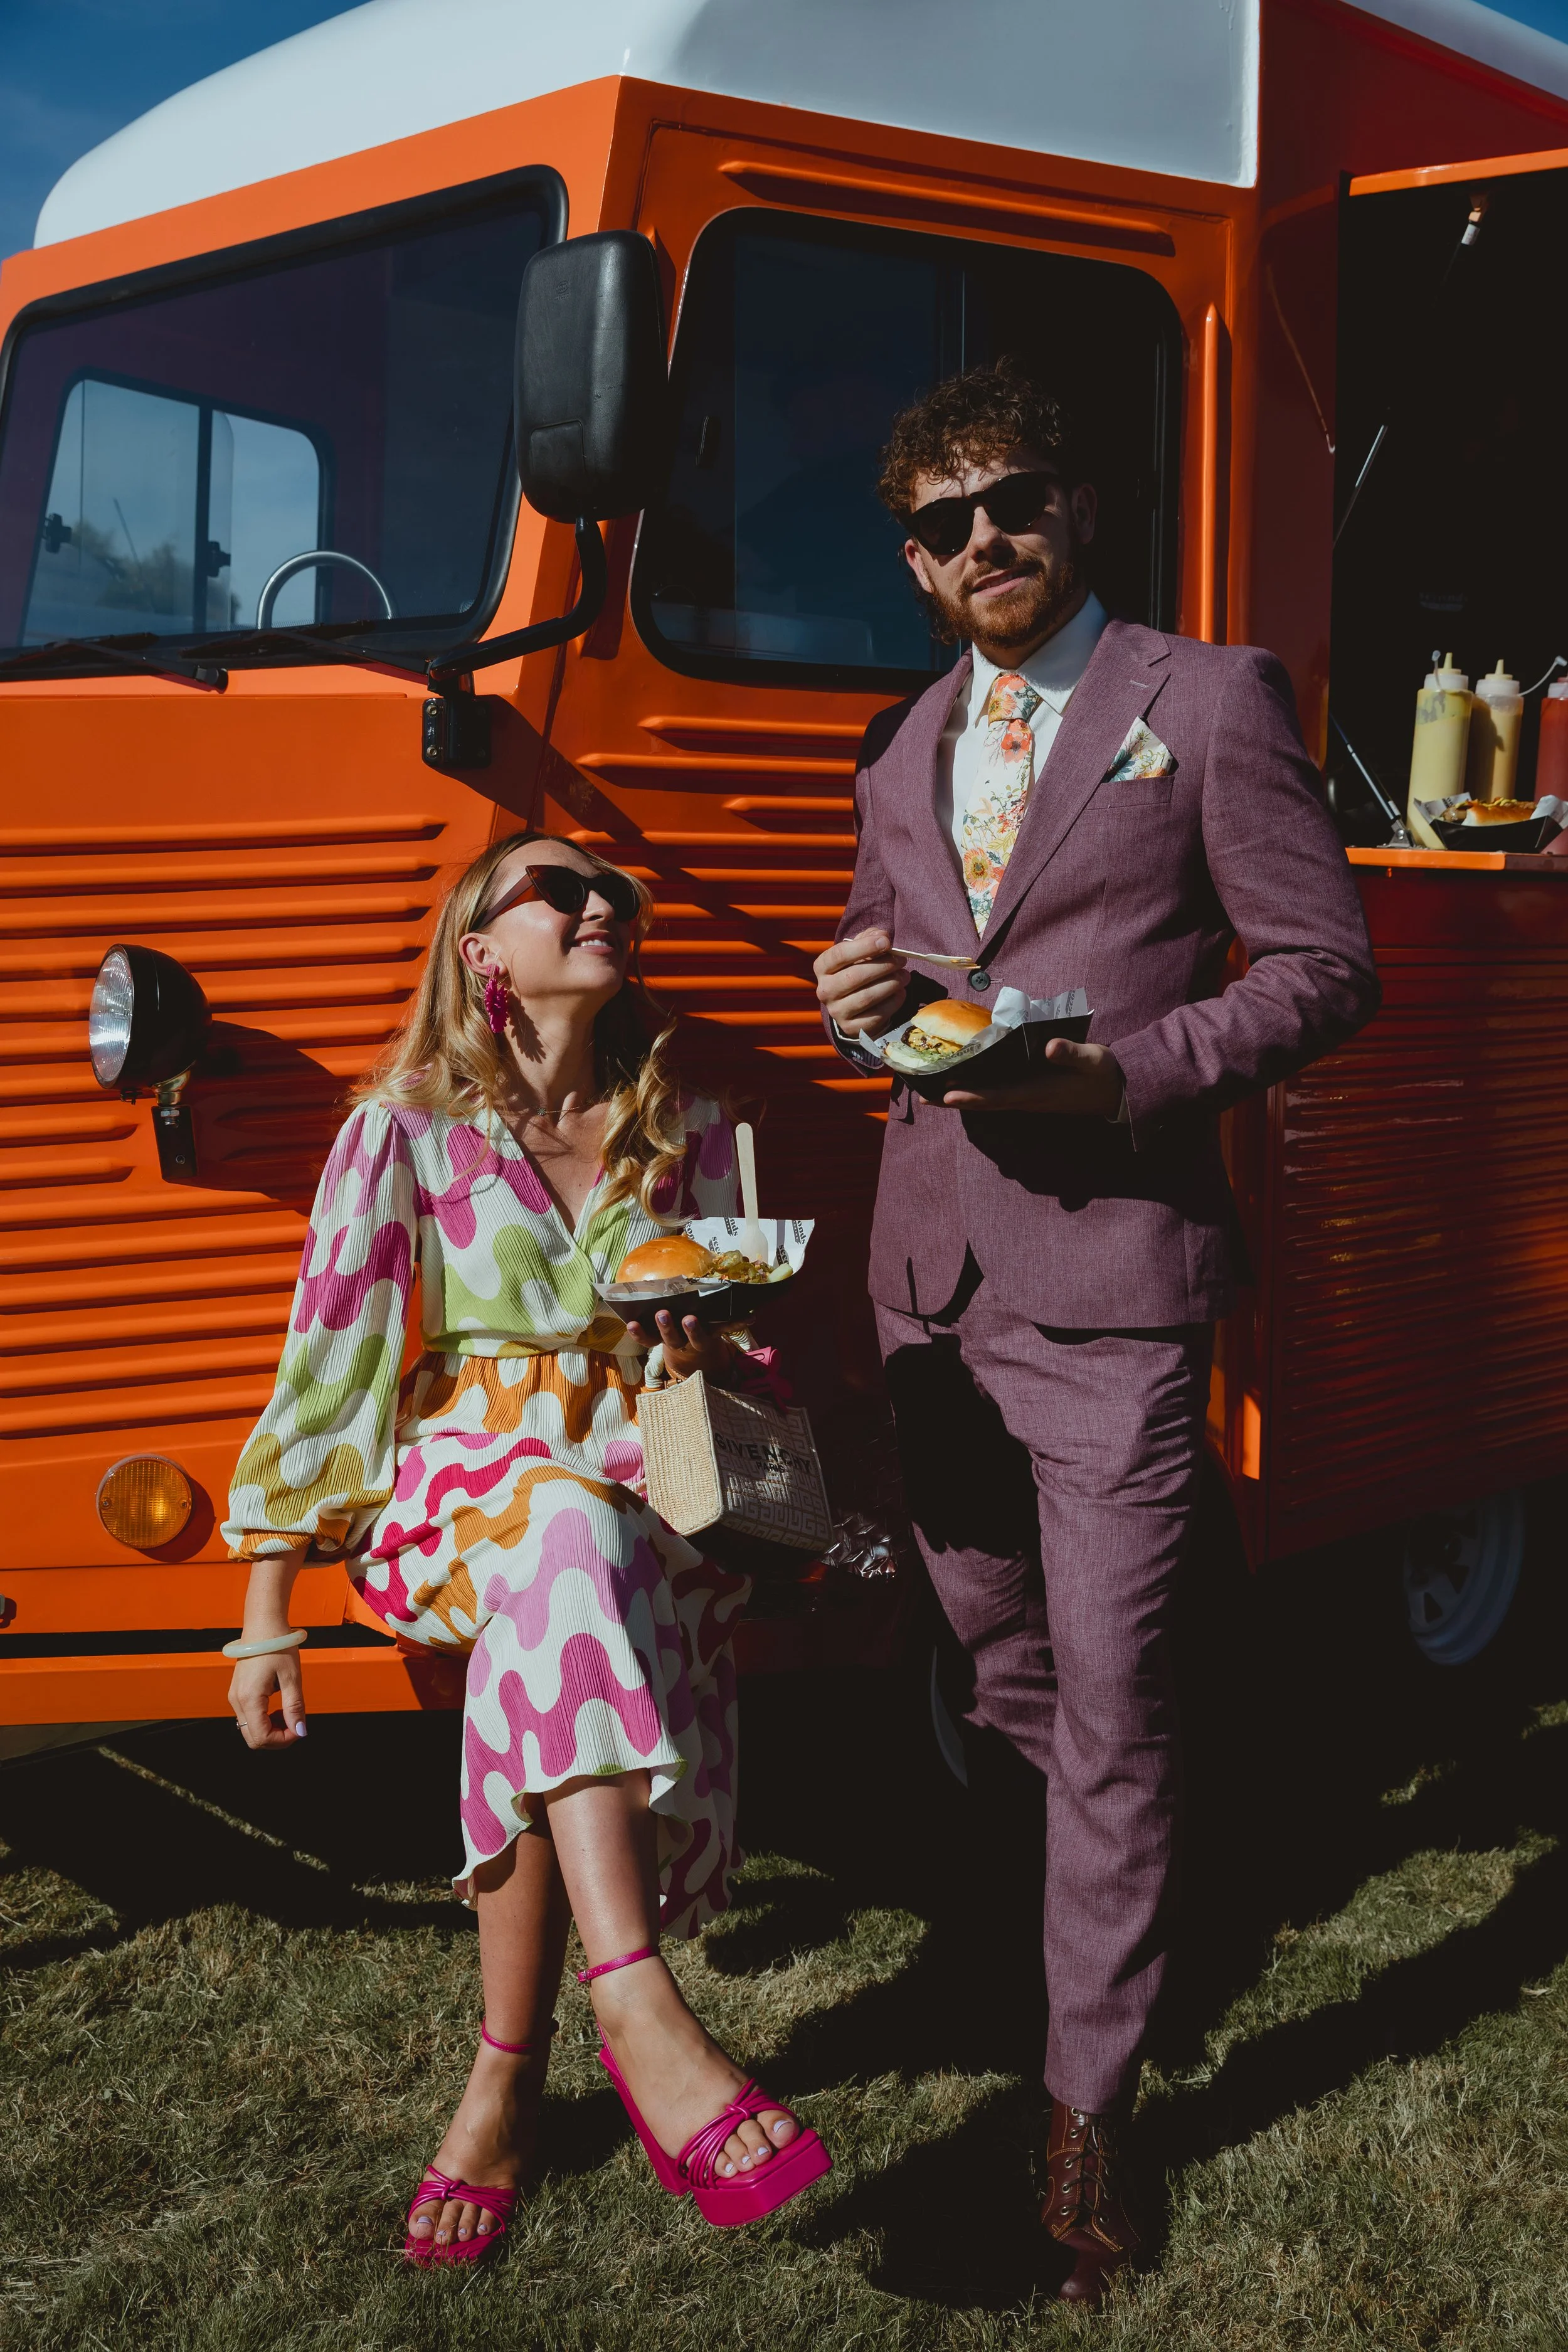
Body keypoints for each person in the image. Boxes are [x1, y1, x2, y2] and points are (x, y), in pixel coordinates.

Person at [814, 361, 1379, 2306]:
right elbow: (900, 976)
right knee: (1002, 1678)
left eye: (1014, 499)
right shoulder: (897, 748)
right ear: (910, 561)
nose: (985, 538)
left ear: (1072, 507)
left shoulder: (1200, 698)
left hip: (1116, 1284)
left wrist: (1127, 1078)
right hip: (931, 1288)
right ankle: (1115, 1901)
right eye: (942, 520)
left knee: (1121, 1696)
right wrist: (852, 990)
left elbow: (1321, 968)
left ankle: (1087, 2104)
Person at [225, 829, 830, 2263]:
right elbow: (332, 1364)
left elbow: (736, 1359)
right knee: (554, 1533)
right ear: (480, 951)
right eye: (556, 890)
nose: (596, 905)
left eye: (611, 890)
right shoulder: (405, 1128)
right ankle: (633, 1996)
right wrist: (266, 1611)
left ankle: (503, 2078)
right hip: (460, 1485)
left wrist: (699, 1339)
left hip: (646, 1479)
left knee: (566, 1568)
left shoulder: (674, 1122)